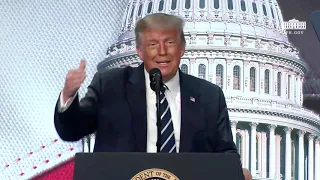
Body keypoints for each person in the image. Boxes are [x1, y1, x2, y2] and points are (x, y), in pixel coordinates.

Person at [54, 13, 251, 180]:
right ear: (139, 51)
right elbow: (72, 131)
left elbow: (225, 153)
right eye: (153, 44)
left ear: (182, 48)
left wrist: (235, 173)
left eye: (170, 42)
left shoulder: (209, 96)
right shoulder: (111, 85)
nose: (162, 52)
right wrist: (69, 96)